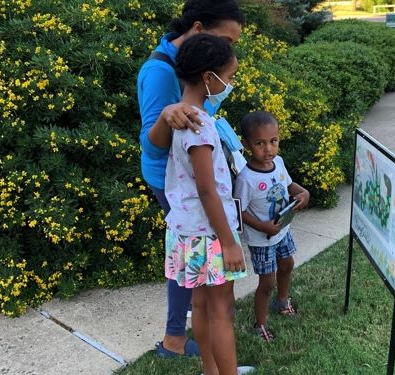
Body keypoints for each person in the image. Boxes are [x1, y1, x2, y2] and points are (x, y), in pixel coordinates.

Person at [136, 0, 245, 358]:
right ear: (199, 29)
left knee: (194, 274)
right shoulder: (161, 72)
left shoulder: (197, 72)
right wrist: (167, 115)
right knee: (201, 278)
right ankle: (174, 338)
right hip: (179, 184)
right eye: (226, 41)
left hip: (193, 179)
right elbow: (153, 146)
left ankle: (185, 341)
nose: (228, 50)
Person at [165, 33, 253, 375]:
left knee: (201, 305)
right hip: (211, 234)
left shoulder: (183, 117)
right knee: (221, 311)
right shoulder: (198, 125)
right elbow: (207, 189)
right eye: (228, 78)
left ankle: (210, 370)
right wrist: (229, 242)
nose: (229, 84)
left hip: (189, 230)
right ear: (208, 78)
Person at [233, 111, 310, 342]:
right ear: (246, 144)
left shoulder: (278, 163)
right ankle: (260, 324)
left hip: (282, 230)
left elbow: (288, 185)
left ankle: (282, 301)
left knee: (287, 264)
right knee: (267, 283)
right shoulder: (246, 178)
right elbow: (238, 211)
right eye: (260, 143)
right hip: (262, 239)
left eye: (273, 141)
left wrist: (302, 192)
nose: (268, 149)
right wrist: (262, 226)